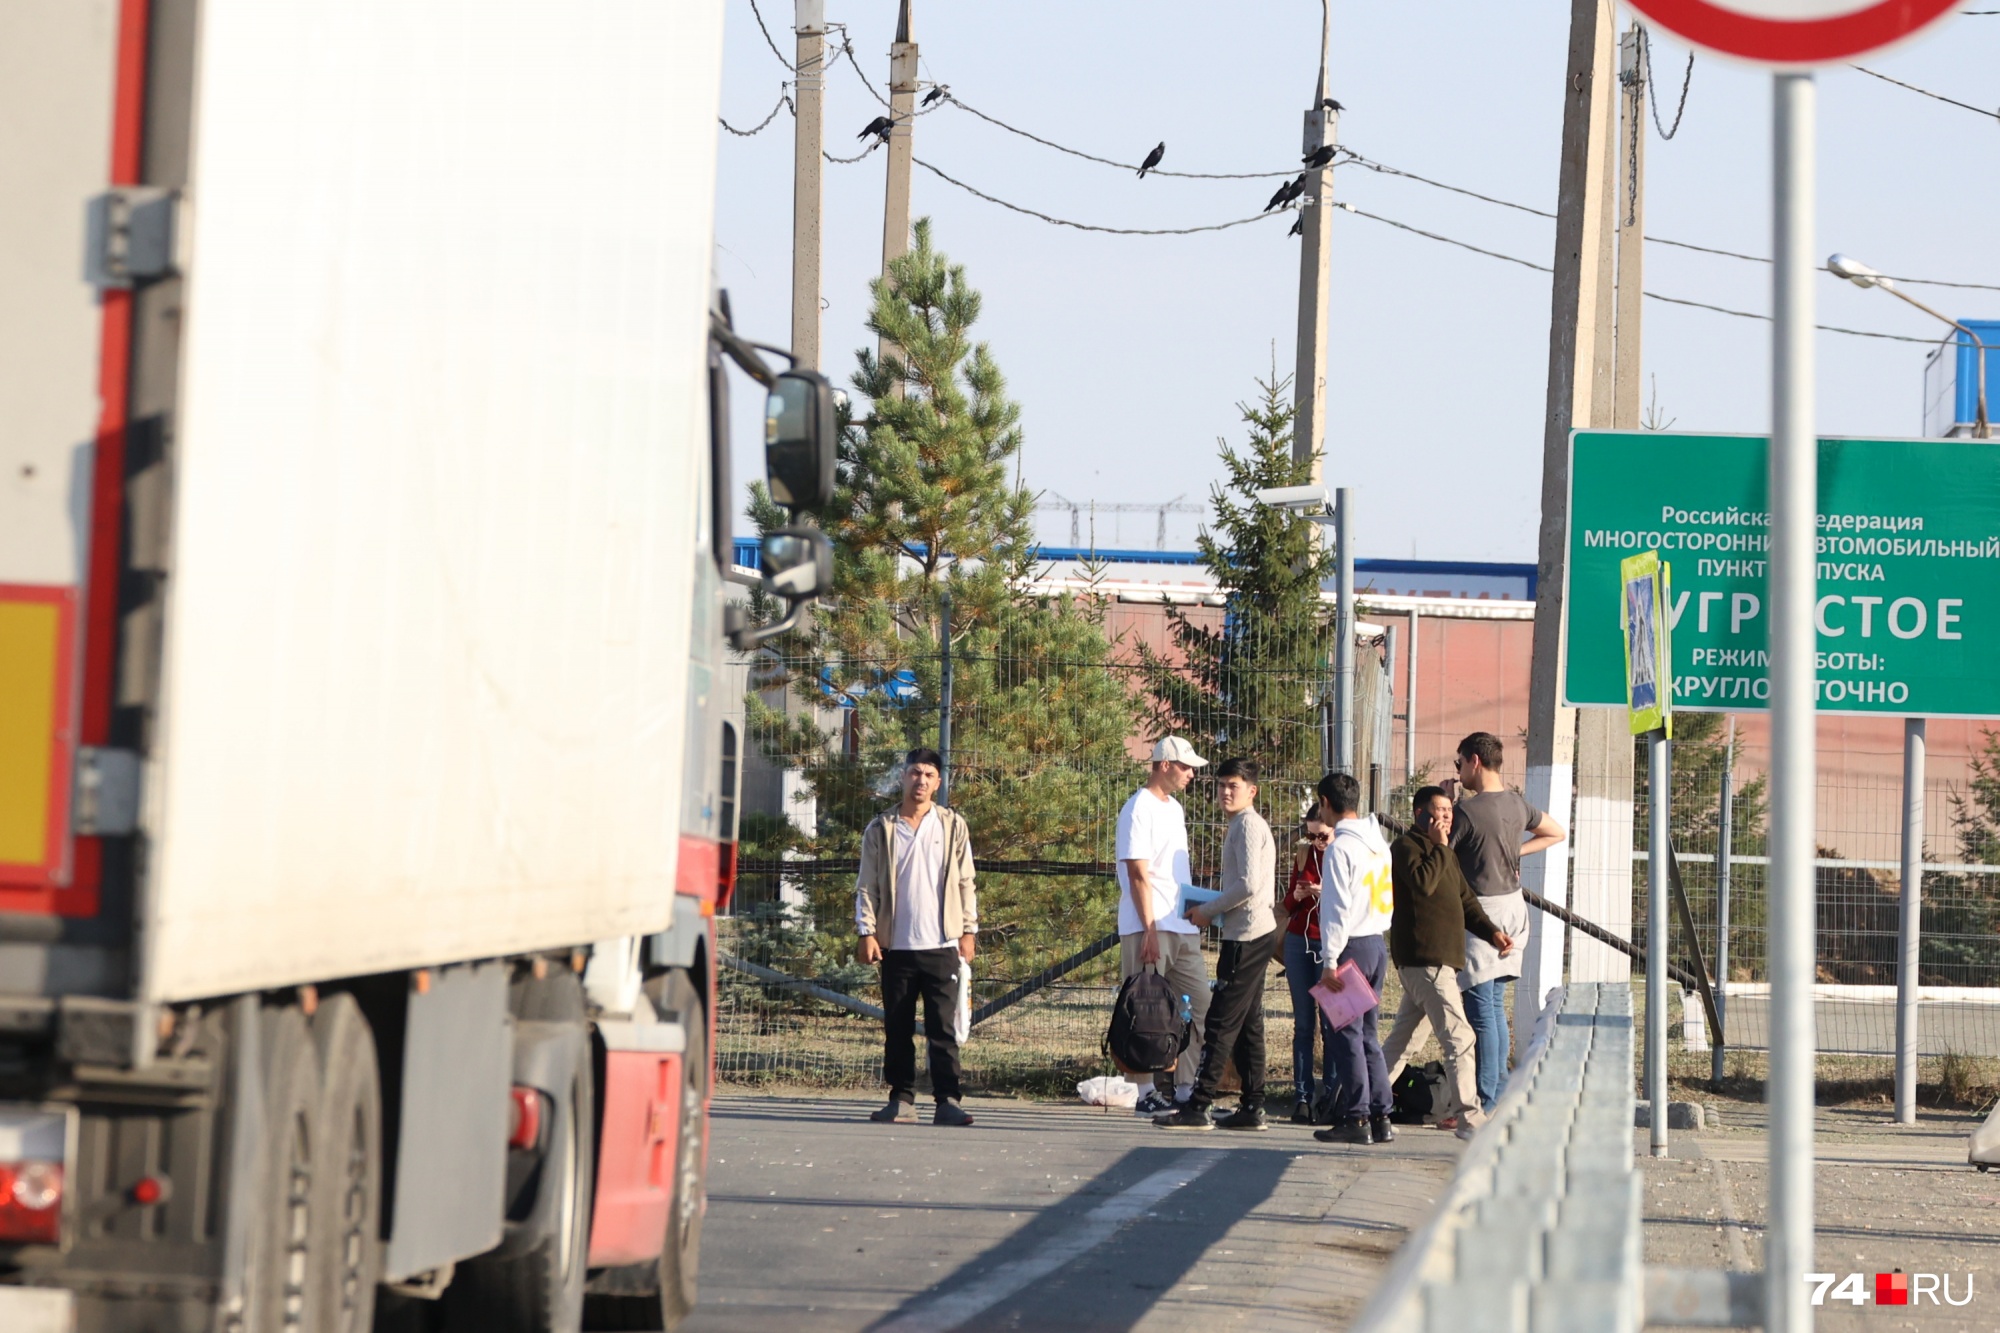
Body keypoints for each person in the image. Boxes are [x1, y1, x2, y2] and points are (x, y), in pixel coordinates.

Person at [1377, 786, 1513, 1141]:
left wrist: (1492, 932)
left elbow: (1466, 901)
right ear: (1420, 814)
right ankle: (1470, 1117)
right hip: (1425, 960)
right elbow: (1423, 884)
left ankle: (1362, 1106)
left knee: (1403, 1042)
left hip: (1439, 964)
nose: (1446, 816)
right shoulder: (1405, 848)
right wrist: (1438, 845)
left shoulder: (1446, 855)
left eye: (1450, 811)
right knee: (1460, 1038)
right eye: (1439, 810)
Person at [1443, 731, 1568, 1115]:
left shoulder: (1466, 811)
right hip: (1513, 908)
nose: (1459, 770)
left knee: (1481, 1007)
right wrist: (1518, 849)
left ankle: (1485, 1099)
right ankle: (1495, 1091)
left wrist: (1446, 805)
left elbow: (1438, 857)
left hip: (1483, 913)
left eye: (1459, 763)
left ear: (1475, 762)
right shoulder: (1516, 803)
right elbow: (1556, 831)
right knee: (1494, 1004)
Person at [855, 748, 978, 1127]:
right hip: (897, 946)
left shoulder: (952, 825)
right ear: (903, 777)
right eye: (914, 773)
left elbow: (966, 881)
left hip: (942, 944)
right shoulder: (881, 828)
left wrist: (969, 930)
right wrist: (867, 931)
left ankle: (947, 1102)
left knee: (943, 1028)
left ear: (938, 782)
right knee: (898, 1027)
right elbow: (867, 884)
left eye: (928, 774)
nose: (920, 781)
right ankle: (902, 1100)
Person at [1156, 757, 1279, 1132]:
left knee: (1222, 1021)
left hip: (1247, 936)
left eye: (1234, 786)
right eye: (1222, 785)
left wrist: (1208, 911)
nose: (1226, 792)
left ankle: (1198, 1105)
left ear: (1252, 791)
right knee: (1249, 1023)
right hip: (1253, 932)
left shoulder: (1246, 826)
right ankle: (1254, 1106)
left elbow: (1248, 886)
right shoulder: (1244, 825)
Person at [1116, 736, 1211, 1115]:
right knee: (1145, 1010)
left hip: (1182, 926)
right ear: (1164, 765)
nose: (1191, 774)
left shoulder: (1174, 809)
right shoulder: (1137, 808)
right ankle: (1144, 1093)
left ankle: (1186, 1089)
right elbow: (1138, 874)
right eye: (1186, 767)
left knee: (1200, 1006)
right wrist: (1149, 928)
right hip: (1149, 926)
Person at [1309, 772, 1397, 1147]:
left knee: (1345, 1033)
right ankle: (1381, 1115)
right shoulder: (1378, 843)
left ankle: (1356, 1116)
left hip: (1351, 946)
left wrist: (1329, 959)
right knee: (1369, 1035)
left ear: (1326, 803)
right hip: (1377, 942)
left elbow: (1335, 908)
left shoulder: (1340, 848)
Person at [1279, 815, 1337, 1124]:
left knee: (1331, 1024)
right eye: (1311, 836)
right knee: (1303, 1025)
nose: (1317, 842)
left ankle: (1330, 1094)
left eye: (1323, 836)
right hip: (1298, 942)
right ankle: (1302, 1096)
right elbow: (1287, 904)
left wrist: (1325, 892)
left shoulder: (1343, 855)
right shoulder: (1304, 855)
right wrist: (1299, 895)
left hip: (1327, 945)